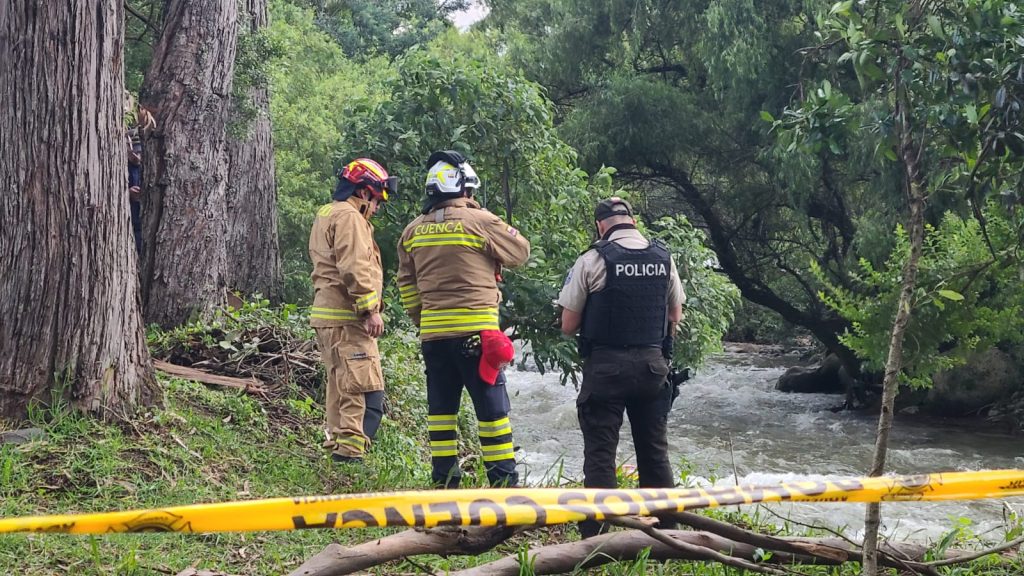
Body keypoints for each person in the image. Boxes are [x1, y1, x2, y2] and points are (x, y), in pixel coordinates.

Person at [397, 150, 530, 488]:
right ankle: (503, 483)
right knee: (492, 411)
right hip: (477, 336)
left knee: (441, 412)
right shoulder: (480, 221)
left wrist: (422, 320)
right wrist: (485, 216)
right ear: (464, 188)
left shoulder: (412, 231)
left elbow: (406, 284)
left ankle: (444, 483)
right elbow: (520, 252)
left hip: (434, 337)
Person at [556, 197, 686, 538]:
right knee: (654, 452)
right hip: (653, 368)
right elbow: (675, 314)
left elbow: (568, 325)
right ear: (633, 221)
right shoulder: (663, 258)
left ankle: (598, 536)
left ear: (600, 226)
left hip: (606, 368)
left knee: (601, 452)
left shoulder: (592, 259)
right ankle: (668, 534)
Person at [309, 158, 398, 463]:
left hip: (328, 315)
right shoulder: (350, 218)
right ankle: (350, 455)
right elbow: (354, 266)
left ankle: (340, 448)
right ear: (363, 191)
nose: (377, 208)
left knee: (340, 385)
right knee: (361, 389)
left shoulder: (327, 213)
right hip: (348, 318)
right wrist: (370, 310)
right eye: (376, 200)